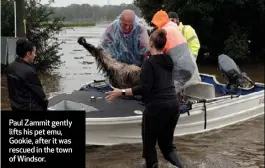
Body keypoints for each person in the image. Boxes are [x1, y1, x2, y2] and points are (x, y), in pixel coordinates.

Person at [105, 29, 183, 168]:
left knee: (149, 148)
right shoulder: (169, 60)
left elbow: (144, 89)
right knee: (167, 147)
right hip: (173, 106)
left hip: (156, 108)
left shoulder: (149, 63)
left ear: (151, 43)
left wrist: (120, 92)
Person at [151, 10, 201, 94]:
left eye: (156, 24)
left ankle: (175, 105)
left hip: (181, 68)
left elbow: (159, 55)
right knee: (175, 89)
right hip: (189, 66)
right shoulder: (174, 29)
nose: (155, 27)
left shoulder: (165, 32)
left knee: (169, 92)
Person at [6, 38, 48, 111]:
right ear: (28, 54)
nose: (35, 55)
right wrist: (45, 105)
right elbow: (40, 94)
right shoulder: (29, 71)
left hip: (15, 106)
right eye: (34, 52)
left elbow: (11, 90)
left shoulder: (10, 66)